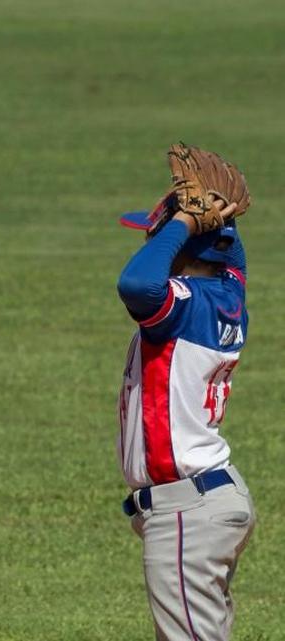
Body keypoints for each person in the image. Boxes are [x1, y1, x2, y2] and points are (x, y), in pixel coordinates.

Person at [116, 196, 255, 640]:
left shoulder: (180, 305)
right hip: (209, 500)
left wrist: (181, 223)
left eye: (153, 238)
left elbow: (137, 283)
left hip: (187, 511)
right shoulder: (226, 295)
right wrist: (218, 222)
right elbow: (233, 262)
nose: (148, 244)